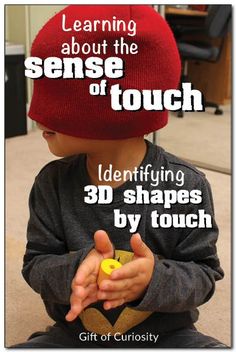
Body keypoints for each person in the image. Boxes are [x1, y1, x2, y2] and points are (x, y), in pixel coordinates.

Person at [12, 5, 226, 348]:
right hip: (74, 332)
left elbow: (203, 275)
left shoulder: (186, 185)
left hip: (168, 334)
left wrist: (154, 278)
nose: (36, 114)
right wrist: (78, 268)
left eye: (59, 95)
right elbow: (36, 265)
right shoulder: (51, 183)